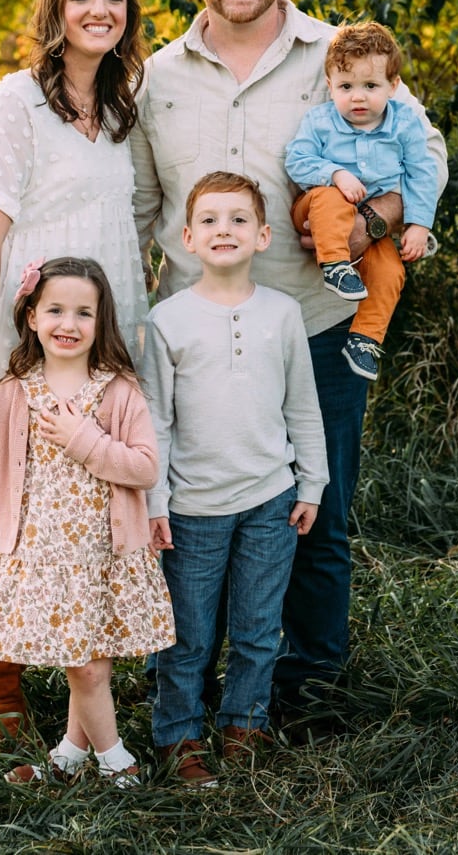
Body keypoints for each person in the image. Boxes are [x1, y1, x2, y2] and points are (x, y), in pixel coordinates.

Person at [129, 0, 448, 723]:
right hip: (193, 332)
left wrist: (372, 225)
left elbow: (426, 149)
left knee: (318, 504)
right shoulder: (158, 75)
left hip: (316, 321)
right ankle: (190, 682)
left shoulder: (338, 54)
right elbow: (139, 204)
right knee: (195, 511)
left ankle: (305, 687)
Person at [0, 0, 149, 743]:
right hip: (21, 336)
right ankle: (4, 690)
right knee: (5, 506)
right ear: (56, 7)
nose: (99, 9)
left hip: (98, 336)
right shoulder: (14, 104)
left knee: (76, 502)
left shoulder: (124, 109)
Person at [0, 256, 173, 786]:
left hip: (102, 553)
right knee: (82, 664)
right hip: (44, 556)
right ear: (33, 317)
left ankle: (96, 759)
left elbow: (145, 466)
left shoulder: (118, 391)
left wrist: (83, 440)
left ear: (100, 321)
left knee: (92, 666)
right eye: (56, 310)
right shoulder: (16, 390)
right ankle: (96, 759)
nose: (69, 324)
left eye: (83, 313)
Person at [141, 171, 327, 785]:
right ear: (187, 237)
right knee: (189, 634)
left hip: (269, 502)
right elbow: (158, 423)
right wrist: (156, 502)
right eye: (212, 221)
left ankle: (244, 723)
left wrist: (312, 484)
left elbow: (303, 405)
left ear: (264, 235)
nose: (226, 230)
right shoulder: (167, 321)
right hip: (193, 507)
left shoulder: (281, 313)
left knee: (256, 629)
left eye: (239, 219)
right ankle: (178, 734)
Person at [285, 21, 439, 381]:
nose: (357, 97)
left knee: (390, 270)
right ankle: (336, 266)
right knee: (330, 198)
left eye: (370, 86)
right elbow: (297, 159)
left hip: (369, 227)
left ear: (393, 86)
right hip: (316, 211)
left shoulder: (404, 125)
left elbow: (422, 173)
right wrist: (335, 174)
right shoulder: (320, 121)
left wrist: (419, 224)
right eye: (346, 86)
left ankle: (365, 340)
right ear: (330, 85)